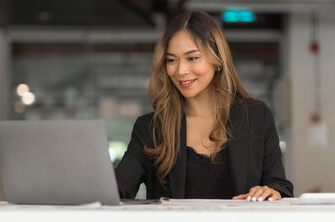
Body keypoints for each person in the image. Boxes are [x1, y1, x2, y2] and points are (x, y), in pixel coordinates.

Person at [115, 11, 293, 201]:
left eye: (192, 58)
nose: (181, 71)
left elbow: (279, 185)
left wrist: (272, 191)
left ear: (217, 59)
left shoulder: (256, 116)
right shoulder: (150, 128)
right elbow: (117, 190)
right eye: (171, 60)